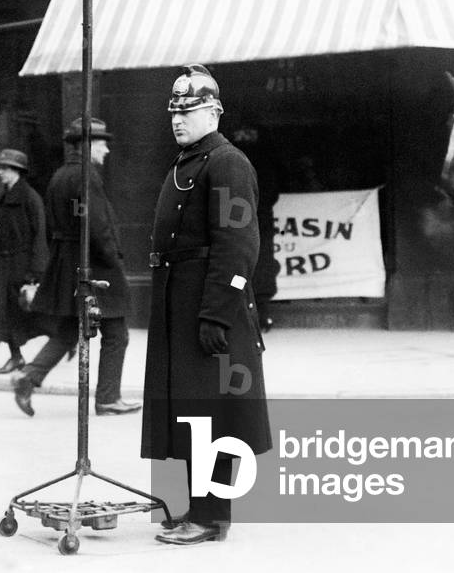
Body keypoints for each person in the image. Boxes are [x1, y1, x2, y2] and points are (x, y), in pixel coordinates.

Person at [141, 64, 272, 546]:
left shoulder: (227, 162)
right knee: (193, 413)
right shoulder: (188, 162)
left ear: (214, 111)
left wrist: (216, 312)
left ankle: (211, 516)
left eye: (190, 110)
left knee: (215, 414)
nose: (178, 119)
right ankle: (198, 507)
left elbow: (238, 245)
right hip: (182, 306)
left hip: (210, 309)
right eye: (174, 111)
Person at [12, 118, 142, 417]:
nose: (106, 150)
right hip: (95, 267)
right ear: (86, 145)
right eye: (101, 143)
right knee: (116, 334)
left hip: (70, 263)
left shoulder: (60, 176)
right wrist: (113, 260)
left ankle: (28, 376)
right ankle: (108, 398)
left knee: (70, 329)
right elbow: (96, 225)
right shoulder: (86, 177)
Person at [0, 149, 48, 373]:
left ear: (17, 171)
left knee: (26, 312)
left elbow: (39, 235)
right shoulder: (6, 194)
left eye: (5, 168)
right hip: (7, 262)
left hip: (23, 264)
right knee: (3, 311)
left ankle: (59, 347)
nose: (0, 172)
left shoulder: (30, 198)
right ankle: (16, 356)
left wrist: (35, 272)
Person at [231, 125, 281, 333]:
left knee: (257, 265)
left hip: (251, 220)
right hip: (244, 219)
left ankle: (261, 314)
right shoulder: (231, 161)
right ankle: (256, 314)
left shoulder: (236, 159)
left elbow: (272, 189)